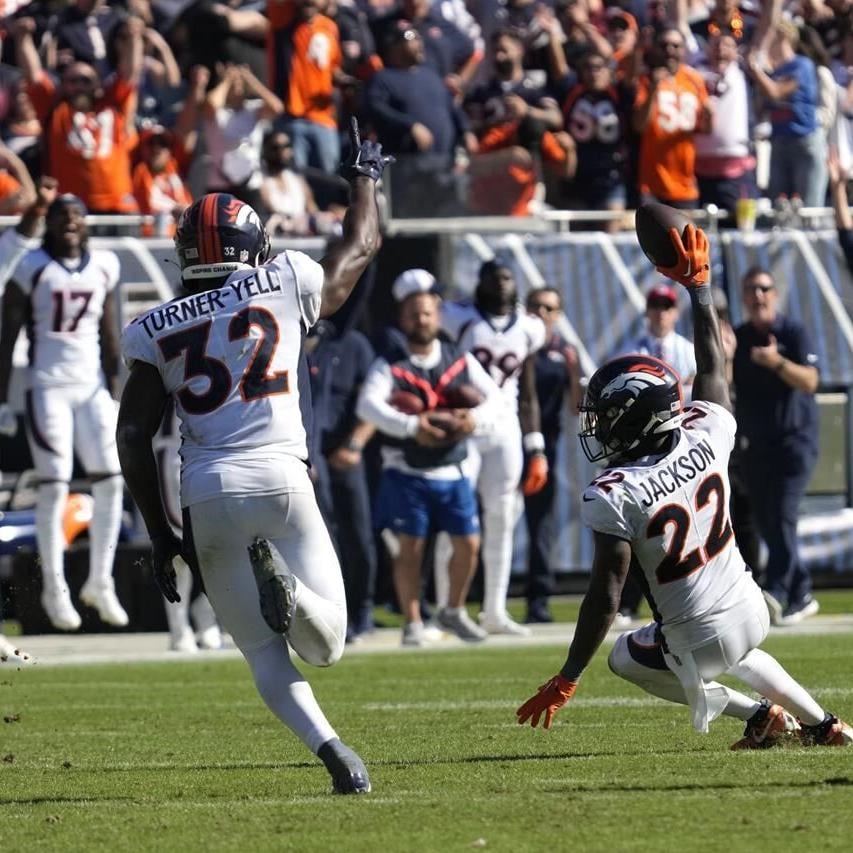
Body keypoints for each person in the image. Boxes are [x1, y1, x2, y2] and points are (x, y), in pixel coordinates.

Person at [116, 119, 392, 795]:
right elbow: (362, 245)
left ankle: (336, 755)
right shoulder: (285, 278)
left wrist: (160, 531)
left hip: (205, 488)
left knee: (262, 652)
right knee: (326, 642)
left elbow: (132, 436)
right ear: (255, 245)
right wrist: (363, 175)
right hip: (280, 474)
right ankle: (292, 592)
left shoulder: (153, 326)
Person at [516, 223, 852, 749]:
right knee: (735, 648)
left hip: (698, 636)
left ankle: (757, 715)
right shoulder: (708, 432)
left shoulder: (615, 491)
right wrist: (698, 287)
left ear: (635, 422)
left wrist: (568, 676)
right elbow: (714, 363)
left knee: (624, 657)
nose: (601, 429)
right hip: (751, 606)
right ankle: (825, 725)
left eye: (608, 418)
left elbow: (607, 595)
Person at [0, 178, 128, 632]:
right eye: (61, 216)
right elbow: (8, 334)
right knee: (54, 484)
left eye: (76, 215)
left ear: (86, 225)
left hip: (91, 385)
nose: (70, 221)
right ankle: (54, 586)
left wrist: (117, 388)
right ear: (50, 225)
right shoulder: (31, 266)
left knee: (113, 480)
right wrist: (1, 399)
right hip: (47, 385)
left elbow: (111, 332)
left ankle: (100, 579)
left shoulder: (106, 265)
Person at [356, 274, 503, 646]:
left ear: (438, 315)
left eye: (427, 313)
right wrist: (411, 426)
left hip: (453, 467)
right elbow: (368, 405)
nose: (421, 320)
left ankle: (452, 610)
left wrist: (473, 419)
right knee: (412, 547)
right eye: (413, 314)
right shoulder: (390, 362)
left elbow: (496, 400)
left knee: (469, 542)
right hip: (408, 469)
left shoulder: (460, 358)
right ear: (402, 319)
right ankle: (412, 620)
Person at [433, 261, 549, 636]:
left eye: (507, 277)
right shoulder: (458, 317)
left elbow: (528, 392)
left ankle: (494, 609)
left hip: (506, 430)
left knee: (502, 520)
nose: (501, 284)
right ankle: (445, 607)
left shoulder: (530, 327)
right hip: (468, 426)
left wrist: (536, 446)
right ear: (480, 283)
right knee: (455, 517)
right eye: (494, 278)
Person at [732, 267, 821, 626]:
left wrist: (777, 362)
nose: (759, 296)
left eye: (765, 288)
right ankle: (802, 590)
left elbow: (811, 381)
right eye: (752, 289)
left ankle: (779, 592)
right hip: (756, 445)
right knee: (768, 521)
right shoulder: (738, 339)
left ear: (775, 294)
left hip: (794, 440)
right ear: (744, 297)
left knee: (782, 513)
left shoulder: (792, 332)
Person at [306, 319, 378, 644]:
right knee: (324, 541)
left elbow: (375, 401)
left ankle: (363, 609)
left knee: (359, 535)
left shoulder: (355, 344)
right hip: (308, 455)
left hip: (346, 452)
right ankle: (336, 614)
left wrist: (355, 444)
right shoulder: (293, 337)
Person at [523, 287, 582, 624]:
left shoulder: (563, 352)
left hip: (546, 443)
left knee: (540, 523)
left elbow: (575, 406)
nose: (542, 313)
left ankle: (538, 598)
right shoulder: (515, 342)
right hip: (509, 438)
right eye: (536, 306)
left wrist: (574, 373)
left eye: (550, 308)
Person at [633, 27, 712, 208]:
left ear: (683, 49)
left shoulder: (694, 80)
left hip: (685, 182)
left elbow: (705, 129)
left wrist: (710, 115)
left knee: (684, 236)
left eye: (675, 46)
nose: (670, 50)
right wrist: (653, 89)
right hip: (652, 183)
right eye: (664, 45)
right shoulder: (646, 80)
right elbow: (638, 126)